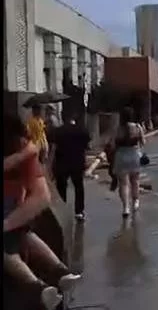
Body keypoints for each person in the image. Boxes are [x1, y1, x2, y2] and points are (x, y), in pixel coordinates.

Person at [4, 113, 81, 309]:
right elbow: (41, 195)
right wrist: (29, 152)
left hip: (9, 207)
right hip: (18, 205)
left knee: (8, 253)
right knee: (26, 235)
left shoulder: (20, 146)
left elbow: (41, 195)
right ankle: (61, 272)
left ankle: (37, 287)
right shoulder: (21, 145)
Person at [48, 118, 91, 221]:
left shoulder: (58, 131)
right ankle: (79, 212)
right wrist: (85, 163)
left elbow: (53, 148)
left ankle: (62, 209)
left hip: (62, 163)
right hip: (77, 162)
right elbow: (87, 148)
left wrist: (50, 165)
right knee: (78, 187)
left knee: (61, 187)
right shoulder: (82, 131)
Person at [113, 108, 145, 217]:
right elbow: (143, 142)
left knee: (123, 183)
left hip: (121, 156)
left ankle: (125, 208)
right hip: (134, 155)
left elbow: (112, 144)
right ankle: (135, 202)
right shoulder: (137, 127)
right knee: (135, 181)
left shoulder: (118, 129)